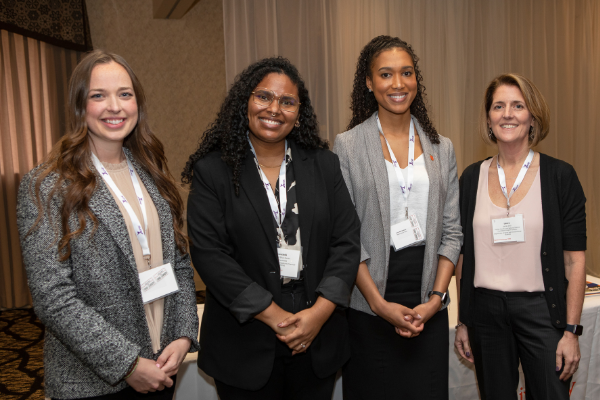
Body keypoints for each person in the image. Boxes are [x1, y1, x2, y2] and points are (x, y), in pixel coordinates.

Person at [17, 50, 199, 400]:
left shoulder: (152, 174)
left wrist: (182, 335)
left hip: (161, 365)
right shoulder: (47, 185)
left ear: (138, 104)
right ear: (79, 106)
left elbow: (177, 263)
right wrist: (129, 364)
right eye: (98, 95)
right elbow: (53, 298)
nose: (114, 106)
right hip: (93, 382)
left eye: (124, 94)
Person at [182, 57, 360, 400]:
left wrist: (318, 315)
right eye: (264, 97)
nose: (274, 109)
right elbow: (210, 255)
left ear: (299, 112)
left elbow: (347, 242)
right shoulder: (213, 172)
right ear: (244, 102)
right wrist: (277, 317)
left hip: (316, 336)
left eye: (287, 102)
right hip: (245, 342)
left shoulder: (324, 165)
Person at [333, 35, 462, 399]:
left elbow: (452, 231)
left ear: (416, 80)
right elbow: (346, 236)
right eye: (386, 74)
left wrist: (436, 299)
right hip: (369, 303)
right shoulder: (348, 145)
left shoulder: (442, 146)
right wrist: (378, 304)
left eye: (406, 73)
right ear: (369, 83)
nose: (398, 84)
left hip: (427, 301)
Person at [454, 73, 586, 399]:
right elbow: (463, 256)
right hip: (485, 314)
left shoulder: (560, 177)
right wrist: (464, 321)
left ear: (533, 117)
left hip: (542, 311)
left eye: (518, 105)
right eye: (498, 106)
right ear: (488, 118)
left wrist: (570, 332)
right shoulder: (471, 178)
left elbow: (574, 262)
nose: (507, 114)